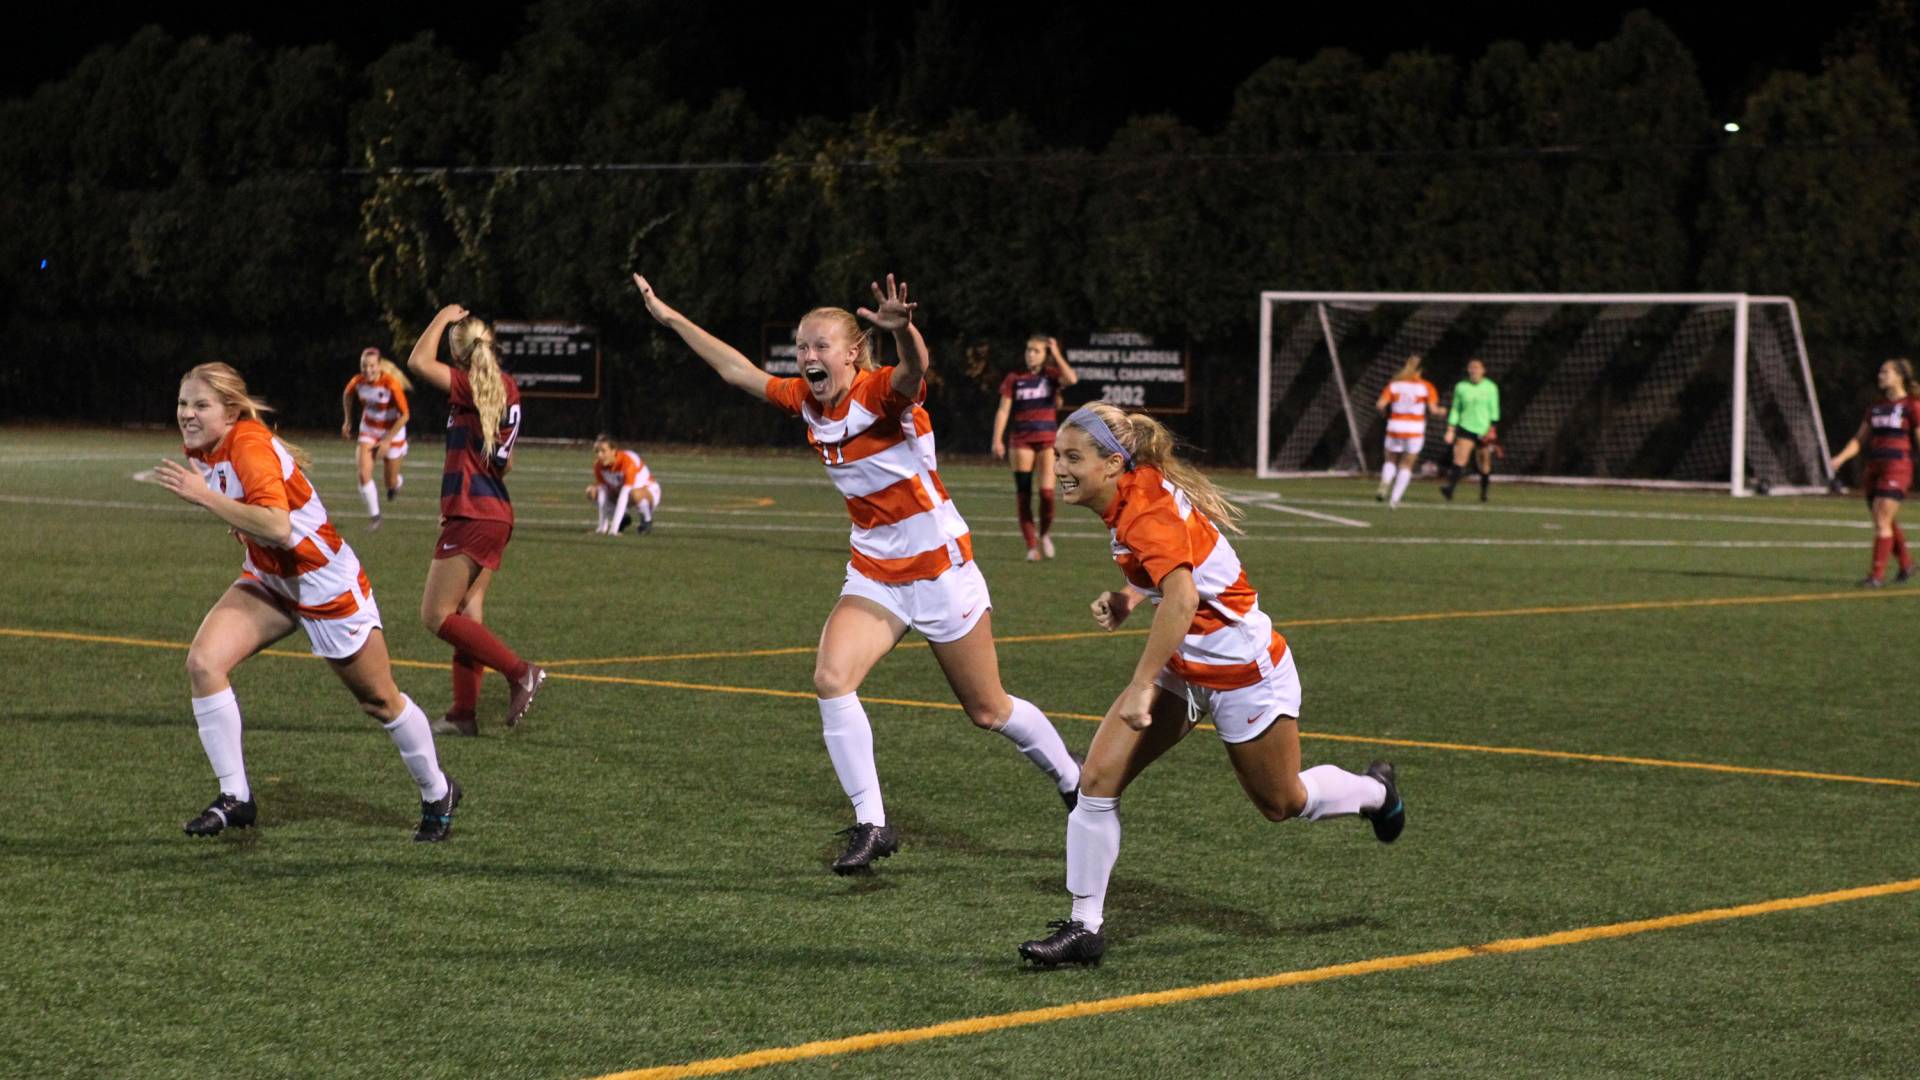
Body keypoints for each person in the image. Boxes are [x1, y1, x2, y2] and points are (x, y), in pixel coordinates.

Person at [632, 272, 1083, 873]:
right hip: (876, 570)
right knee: (831, 676)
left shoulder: (877, 394)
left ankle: (1076, 781)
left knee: (988, 710)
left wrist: (906, 334)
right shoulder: (805, 399)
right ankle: (873, 823)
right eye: (801, 347)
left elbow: (912, 373)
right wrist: (670, 319)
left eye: (819, 346)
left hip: (939, 570)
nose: (807, 357)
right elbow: (737, 371)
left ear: (851, 352)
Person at [1017, 402, 1403, 967]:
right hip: (1186, 665)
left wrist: (1143, 682)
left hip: (1244, 673)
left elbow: (1183, 597)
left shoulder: (1143, 511)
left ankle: (1377, 793)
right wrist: (1128, 597)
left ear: (1115, 463)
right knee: (1096, 781)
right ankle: (1084, 928)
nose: (1061, 468)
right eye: (1057, 456)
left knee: (1282, 802)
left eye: (1074, 457)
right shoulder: (1131, 494)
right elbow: (1175, 573)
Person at [154, 363, 461, 841]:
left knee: (380, 701)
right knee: (204, 662)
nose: (187, 415)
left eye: (200, 405)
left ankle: (437, 790)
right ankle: (237, 798)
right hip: (272, 580)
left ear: (231, 411)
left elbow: (277, 525)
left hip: (324, 584)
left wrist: (205, 498)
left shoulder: (248, 444)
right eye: (182, 403)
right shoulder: (204, 447)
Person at [405, 305, 547, 737]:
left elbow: (415, 361)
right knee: (468, 612)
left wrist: (442, 318)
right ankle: (463, 714)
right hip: (492, 512)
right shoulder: (507, 388)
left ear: (459, 353)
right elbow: (504, 464)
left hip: (473, 513)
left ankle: (520, 672)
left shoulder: (467, 384)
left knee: (435, 615)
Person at [1828, 358, 1920, 586]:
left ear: (1900, 376)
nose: (1880, 375)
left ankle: (1876, 577)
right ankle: (1907, 565)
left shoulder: (1912, 406)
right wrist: (1839, 458)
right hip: (1874, 468)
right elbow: (1860, 440)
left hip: (1897, 467)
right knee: (1883, 518)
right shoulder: (1876, 407)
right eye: (1880, 371)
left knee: (1882, 518)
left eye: (1885, 372)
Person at [991, 335, 1079, 559]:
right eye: (1029, 350)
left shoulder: (1051, 377)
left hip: (1048, 441)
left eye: (1037, 350)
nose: (1031, 354)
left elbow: (1072, 379)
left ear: (1045, 355)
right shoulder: (1015, 378)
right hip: (1021, 441)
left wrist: (1056, 352)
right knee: (1024, 494)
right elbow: (1003, 410)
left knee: (1047, 494)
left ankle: (1045, 534)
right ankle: (1032, 547)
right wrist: (997, 439)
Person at [340, 346, 413, 529]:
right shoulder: (358, 381)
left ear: (379, 366)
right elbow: (347, 395)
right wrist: (348, 420)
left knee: (390, 482)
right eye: (364, 366)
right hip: (369, 431)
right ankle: (375, 519)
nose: (368, 370)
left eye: (372, 366)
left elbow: (405, 415)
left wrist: (387, 440)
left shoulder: (390, 384)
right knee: (363, 474)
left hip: (393, 432)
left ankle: (396, 485)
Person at [1374, 354, 1445, 508]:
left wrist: (1383, 413)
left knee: (1390, 460)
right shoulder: (1426, 387)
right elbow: (1433, 410)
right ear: (1421, 371)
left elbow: (1380, 405)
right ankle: (1394, 499)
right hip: (1414, 429)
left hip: (1395, 427)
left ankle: (1385, 482)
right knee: (1406, 465)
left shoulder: (1395, 385)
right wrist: (1442, 411)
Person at [1441, 358, 1501, 502]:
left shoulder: (1491, 387)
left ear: (1483, 370)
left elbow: (1494, 409)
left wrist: (1492, 428)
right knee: (1459, 459)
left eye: (1477, 368)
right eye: (1471, 368)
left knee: (1484, 464)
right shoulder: (1461, 387)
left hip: (1484, 430)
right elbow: (1456, 409)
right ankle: (1450, 489)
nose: (1474, 370)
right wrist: (1450, 428)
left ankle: (1484, 492)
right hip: (1466, 427)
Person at [586, 435, 662, 536]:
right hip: (622, 491)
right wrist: (602, 528)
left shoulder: (628, 461)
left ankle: (646, 519)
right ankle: (621, 519)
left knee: (634, 493)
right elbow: (602, 495)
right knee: (592, 492)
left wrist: (614, 529)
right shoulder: (598, 466)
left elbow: (625, 494)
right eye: (597, 451)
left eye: (603, 451)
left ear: (613, 451)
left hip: (647, 491)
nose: (599, 455)